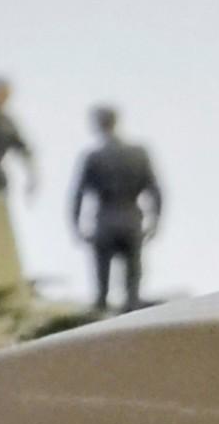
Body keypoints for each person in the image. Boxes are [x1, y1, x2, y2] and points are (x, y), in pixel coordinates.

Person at [70, 104, 163, 311]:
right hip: (131, 219)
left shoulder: (94, 157)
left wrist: (76, 226)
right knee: (133, 284)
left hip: (105, 219)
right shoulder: (138, 153)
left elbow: (78, 195)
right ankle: (132, 304)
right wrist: (156, 221)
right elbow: (155, 191)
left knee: (102, 289)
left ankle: (103, 305)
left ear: (98, 124)